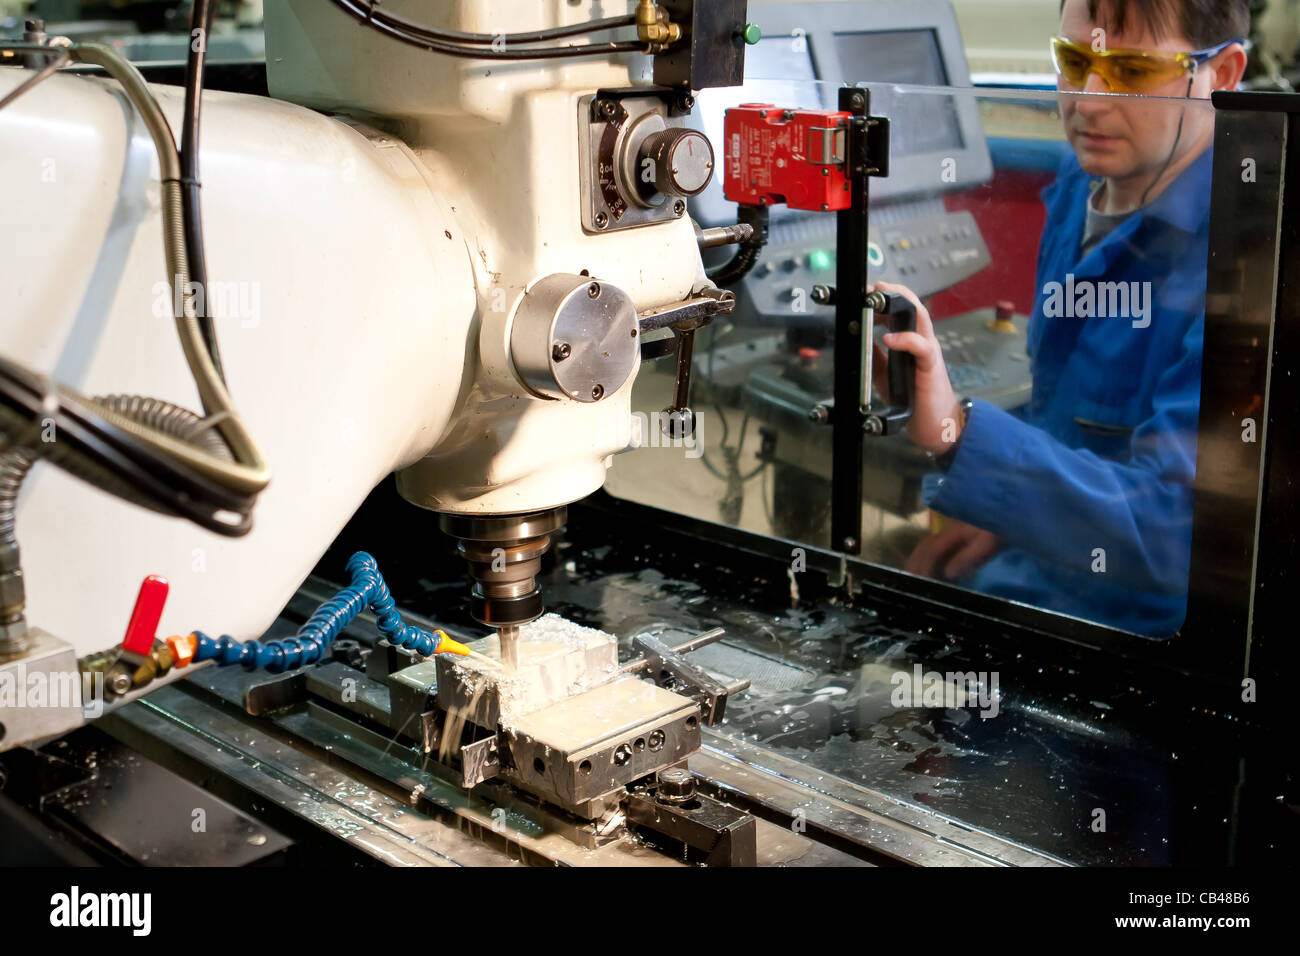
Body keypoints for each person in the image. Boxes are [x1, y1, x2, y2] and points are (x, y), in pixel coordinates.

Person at [876, 0, 1248, 637]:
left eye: (1130, 70)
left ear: (1224, 74)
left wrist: (960, 437)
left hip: (1146, 633)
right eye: (1074, 62)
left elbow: (1177, 535)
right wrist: (1003, 506)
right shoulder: (1086, 179)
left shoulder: (1248, 262)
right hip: (1041, 565)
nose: (1089, 102)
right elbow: (1065, 417)